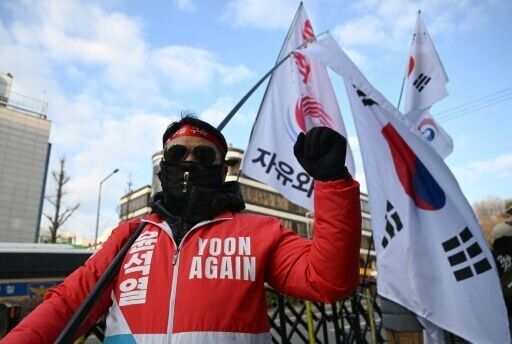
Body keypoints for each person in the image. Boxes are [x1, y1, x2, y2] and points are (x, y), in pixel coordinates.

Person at [2, 115, 362, 343]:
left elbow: (328, 281)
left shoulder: (259, 231)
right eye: (176, 155)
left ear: (222, 171)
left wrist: (332, 183)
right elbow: (68, 304)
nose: (188, 161)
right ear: (162, 167)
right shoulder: (128, 235)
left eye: (203, 156)